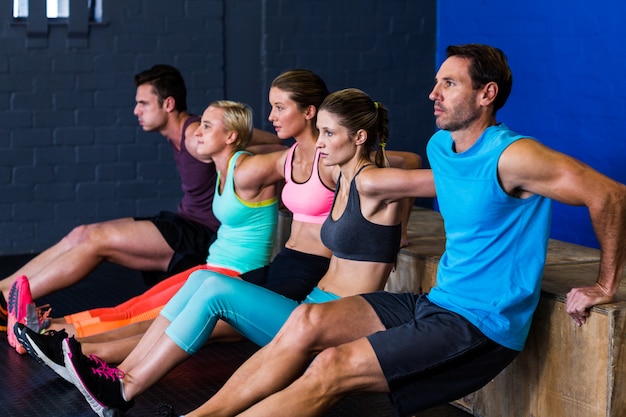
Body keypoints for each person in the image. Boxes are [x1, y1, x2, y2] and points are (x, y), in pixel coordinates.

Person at [168, 44, 626, 417]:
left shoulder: (515, 156)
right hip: (437, 303)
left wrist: (605, 284)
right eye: (436, 82)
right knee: (305, 322)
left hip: (480, 324)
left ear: (487, 94)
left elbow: (610, 194)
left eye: (449, 83)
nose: (434, 93)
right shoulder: (441, 147)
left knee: (331, 367)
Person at [59, 87, 424, 417]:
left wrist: (400, 227)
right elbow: (403, 163)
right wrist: (399, 231)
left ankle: (126, 387)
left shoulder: (373, 179)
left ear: (359, 137)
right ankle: (121, 378)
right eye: (321, 131)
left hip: (338, 318)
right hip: (312, 307)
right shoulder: (345, 175)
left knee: (215, 289)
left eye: (328, 133)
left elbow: (439, 175)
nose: (320, 142)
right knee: (204, 278)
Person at [15, 69, 336, 364]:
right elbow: (282, 150)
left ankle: (67, 344)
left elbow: (284, 153)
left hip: (235, 270)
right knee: (129, 305)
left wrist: (356, 148)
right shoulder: (234, 163)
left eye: (206, 128)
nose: (197, 134)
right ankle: (50, 329)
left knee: (142, 316)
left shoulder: (248, 168)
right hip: (220, 263)